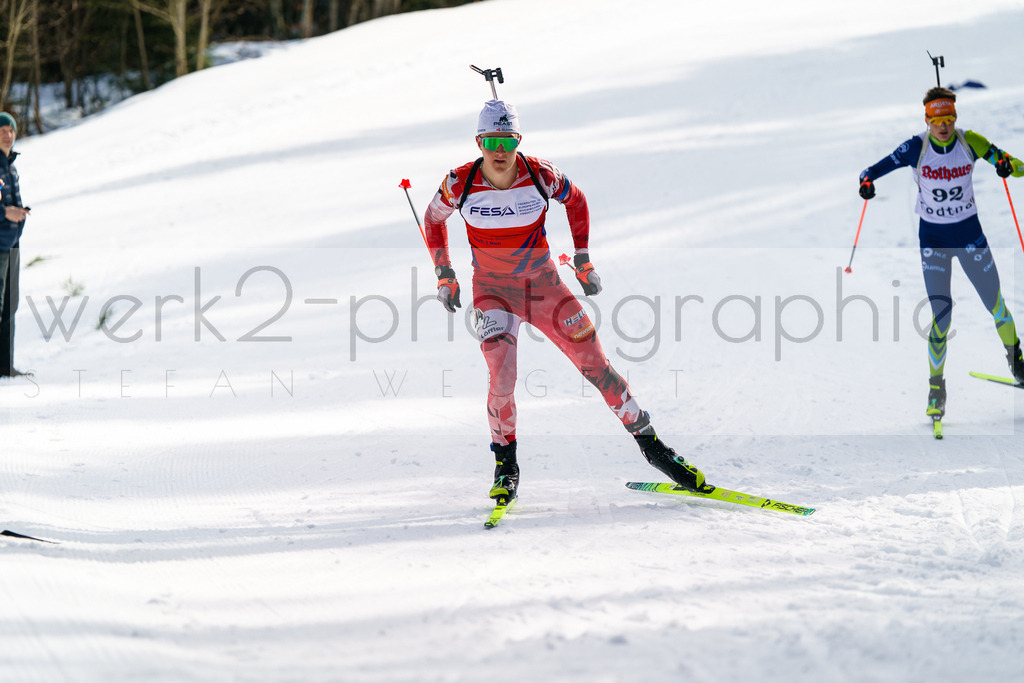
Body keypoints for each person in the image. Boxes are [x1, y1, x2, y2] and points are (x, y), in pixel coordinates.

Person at [422, 100, 707, 503]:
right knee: (501, 376)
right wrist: (445, 275)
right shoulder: (459, 183)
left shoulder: (540, 173)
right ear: (479, 142)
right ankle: (506, 466)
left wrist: (584, 260)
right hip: (493, 294)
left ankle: (654, 448)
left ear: (518, 140)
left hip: (546, 289)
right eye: (492, 141)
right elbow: (432, 220)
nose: (500, 151)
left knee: (597, 367)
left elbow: (577, 201)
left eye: (508, 140)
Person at [859, 87, 1024, 418]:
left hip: (969, 235)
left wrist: (1007, 164)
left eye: (948, 119)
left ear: (955, 118)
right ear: (927, 121)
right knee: (941, 316)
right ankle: (936, 388)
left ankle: (1017, 361)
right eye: (937, 121)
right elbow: (871, 171)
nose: (944, 127)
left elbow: (1017, 166)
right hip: (933, 239)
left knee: (997, 305)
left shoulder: (970, 141)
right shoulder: (915, 148)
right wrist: (867, 183)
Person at [0, 112, 30, 378]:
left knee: (10, 304)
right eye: (2, 130)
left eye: (11, 130)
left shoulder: (11, 166)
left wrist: (19, 214)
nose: (7, 134)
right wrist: (5, 213)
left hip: (12, 242)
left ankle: (5, 366)